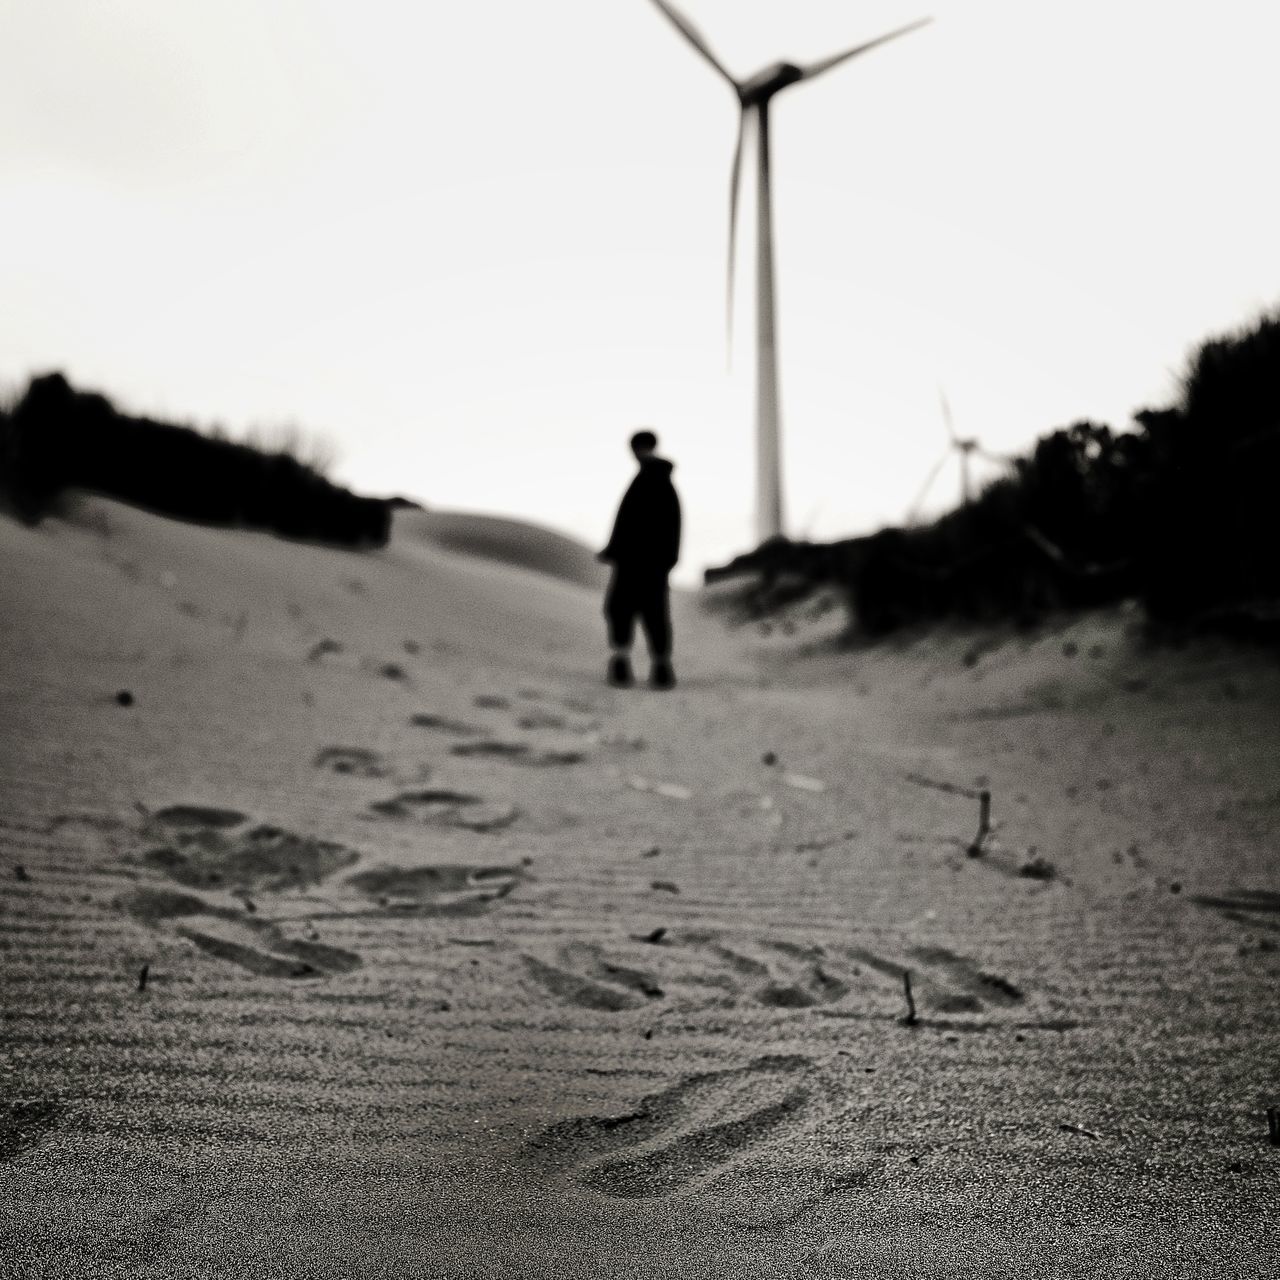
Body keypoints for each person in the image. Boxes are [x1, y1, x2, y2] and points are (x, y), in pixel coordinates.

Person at [598, 429, 681, 689]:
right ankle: (657, 669)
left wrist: (617, 550)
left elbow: (633, 524)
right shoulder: (655, 479)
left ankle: (646, 667)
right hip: (647, 563)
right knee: (648, 612)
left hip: (639, 563)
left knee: (625, 610)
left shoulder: (651, 479)